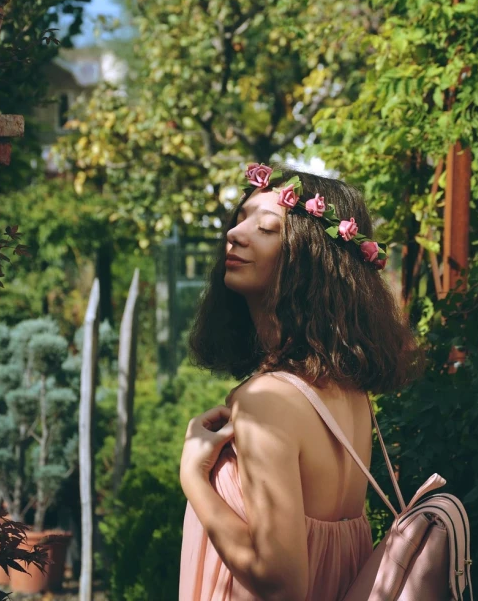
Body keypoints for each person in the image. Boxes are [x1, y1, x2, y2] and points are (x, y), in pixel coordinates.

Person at [179, 164, 424, 601]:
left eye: (268, 228)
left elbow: (282, 586)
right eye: (241, 218)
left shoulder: (267, 401)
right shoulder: (348, 391)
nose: (236, 234)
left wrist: (194, 476)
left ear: (308, 260)